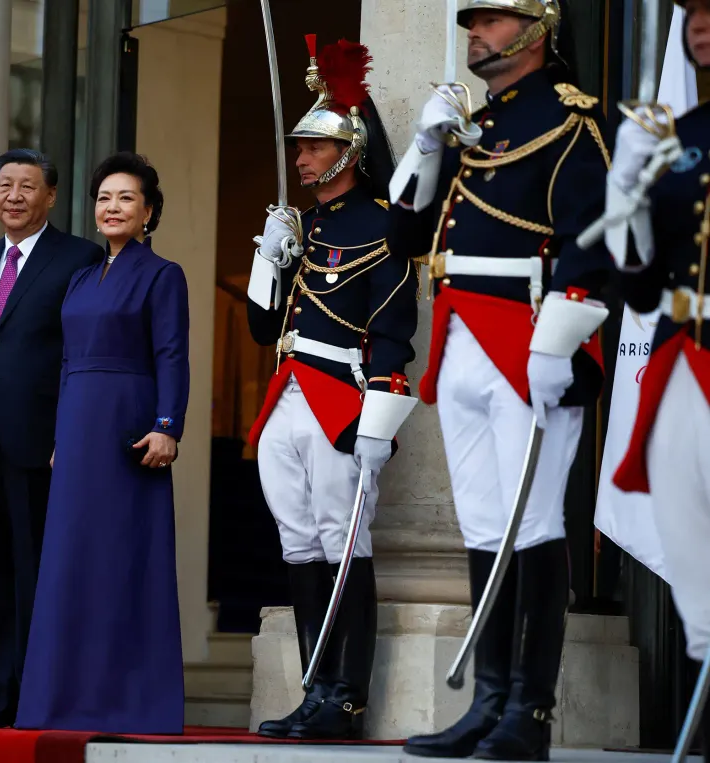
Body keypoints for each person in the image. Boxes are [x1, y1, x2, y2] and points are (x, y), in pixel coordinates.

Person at [388, 1, 612, 759]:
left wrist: (562, 338)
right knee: (484, 523)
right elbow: (405, 235)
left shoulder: (574, 119)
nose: (475, 36)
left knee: (537, 522)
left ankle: (530, 711)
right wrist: (424, 145)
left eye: (489, 23)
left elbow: (594, 238)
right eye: (471, 25)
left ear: (534, 32)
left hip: (529, 338)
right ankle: (487, 702)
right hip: (459, 338)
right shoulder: (473, 126)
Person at [245, 37, 418, 741]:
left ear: (347, 153)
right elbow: (262, 326)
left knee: (340, 540)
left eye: (313, 149)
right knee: (297, 541)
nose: (301, 159)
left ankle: (345, 697)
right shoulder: (304, 225)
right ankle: (315, 687)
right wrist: (268, 257)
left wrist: (379, 418)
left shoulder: (383, 227)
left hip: (340, 395)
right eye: (301, 149)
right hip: (284, 390)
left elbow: (395, 332)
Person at [15, 152, 189, 734]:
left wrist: (168, 425)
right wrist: (62, 435)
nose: (112, 208)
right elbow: (66, 361)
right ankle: (61, 701)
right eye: (104, 198)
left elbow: (170, 354)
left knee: (123, 560)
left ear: (148, 211)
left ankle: (132, 701)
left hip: (128, 429)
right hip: (79, 431)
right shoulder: (83, 277)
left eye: (126, 199)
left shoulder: (163, 274)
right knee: (70, 563)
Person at [0, 149, 103, 729]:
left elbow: (79, 352)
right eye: (5, 185)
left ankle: (44, 695)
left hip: (46, 441)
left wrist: (73, 432)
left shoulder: (80, 260)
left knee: (40, 570)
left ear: (51, 196)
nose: (14, 196)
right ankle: (1, 695)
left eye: (27, 186)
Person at [605, 2, 710, 759]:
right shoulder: (681, 142)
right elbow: (640, 291)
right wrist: (630, 199)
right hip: (679, 351)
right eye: (692, 12)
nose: (699, 23)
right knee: (693, 568)